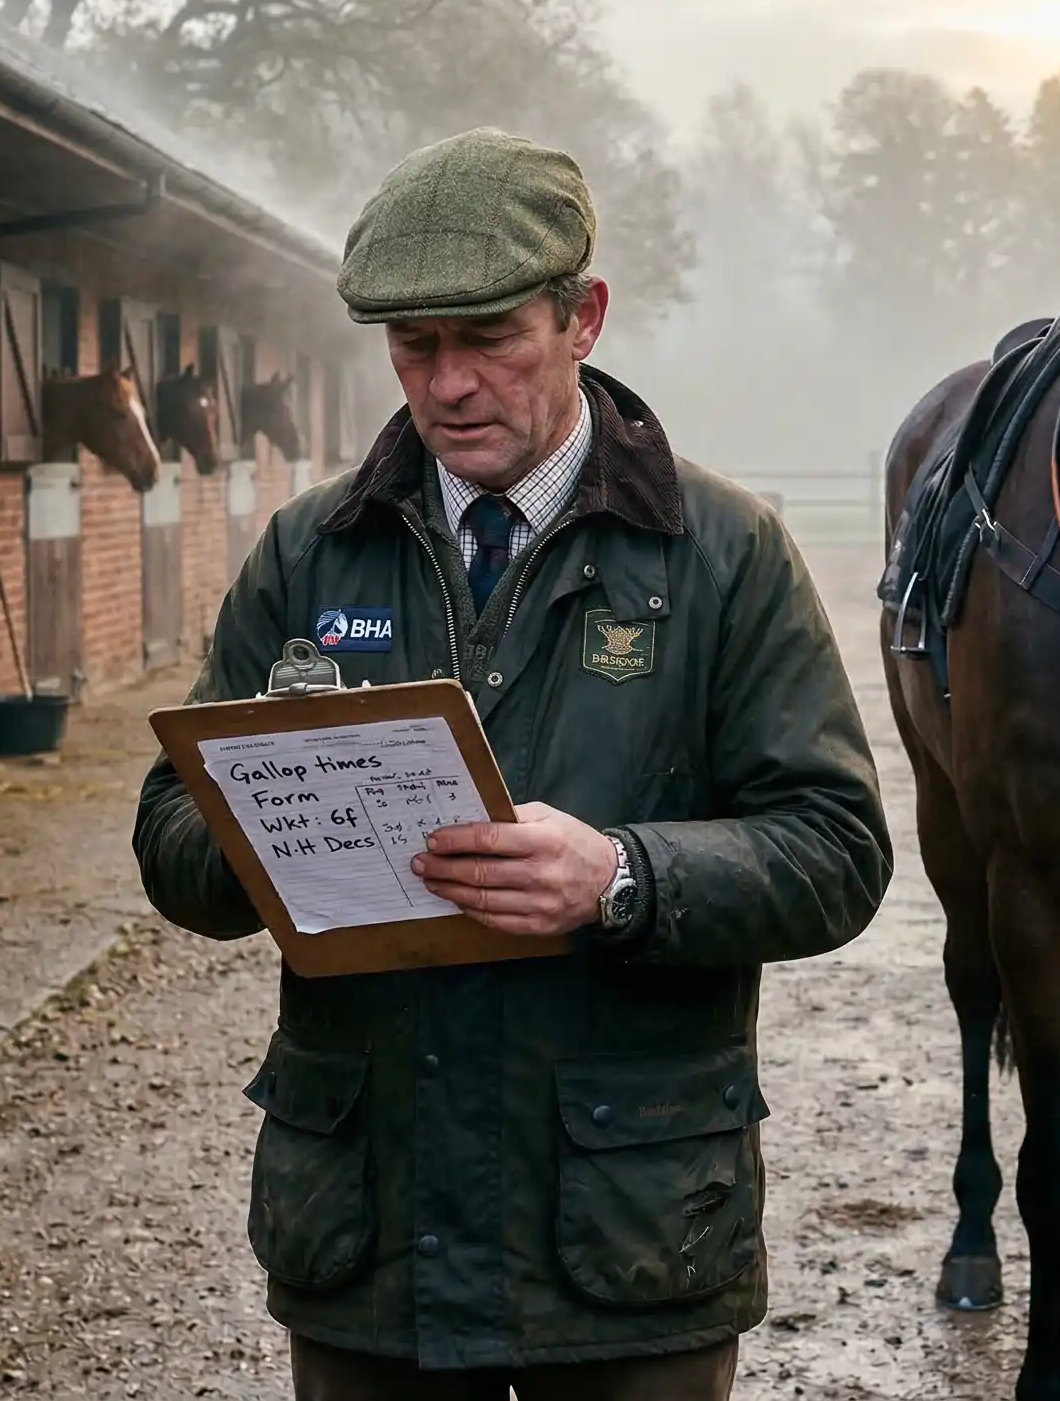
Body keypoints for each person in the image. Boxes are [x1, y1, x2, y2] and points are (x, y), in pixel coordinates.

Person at [133, 127, 891, 1400]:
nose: (447, 385)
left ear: (583, 315)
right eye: (414, 347)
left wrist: (623, 878)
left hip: (627, 1238)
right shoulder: (310, 554)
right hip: (373, 1241)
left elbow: (837, 849)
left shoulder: (721, 554)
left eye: (489, 338)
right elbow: (171, 834)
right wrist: (275, 829)